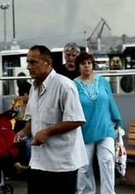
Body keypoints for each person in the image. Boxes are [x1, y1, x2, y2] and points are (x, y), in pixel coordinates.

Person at [14, 45, 87, 194]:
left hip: (62, 163)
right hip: (38, 161)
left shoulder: (64, 85)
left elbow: (77, 120)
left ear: (47, 62)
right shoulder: (34, 87)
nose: (28, 67)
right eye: (28, 62)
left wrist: (47, 132)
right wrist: (24, 131)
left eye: (33, 62)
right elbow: (32, 117)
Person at [74, 51, 122, 194]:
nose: (86, 66)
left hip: (105, 128)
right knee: (84, 167)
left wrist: (117, 121)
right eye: (83, 63)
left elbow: (111, 102)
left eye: (89, 63)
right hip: (84, 131)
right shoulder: (73, 85)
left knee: (107, 162)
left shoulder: (103, 82)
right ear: (78, 66)